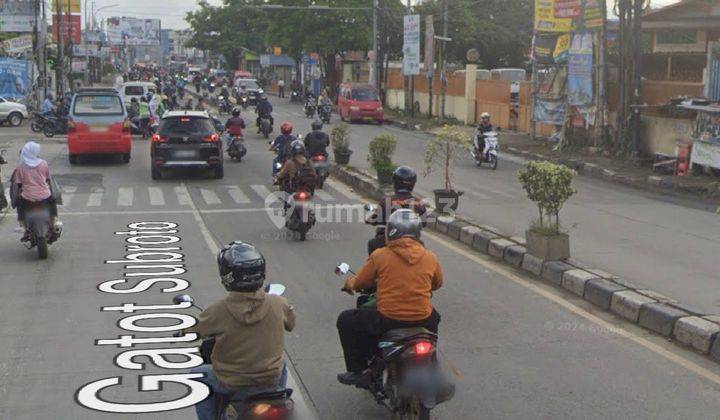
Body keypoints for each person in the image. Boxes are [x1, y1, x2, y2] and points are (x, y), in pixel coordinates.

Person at [188, 241, 296, 420]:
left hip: (232, 382)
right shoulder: (278, 303)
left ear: (227, 275)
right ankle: (279, 396)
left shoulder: (219, 310)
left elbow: (193, 330)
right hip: (269, 380)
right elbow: (291, 324)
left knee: (197, 374)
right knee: (282, 364)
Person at [336, 210, 443, 386]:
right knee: (435, 318)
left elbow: (361, 281)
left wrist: (349, 284)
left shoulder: (380, 255)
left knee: (346, 320)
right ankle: (432, 362)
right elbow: (437, 283)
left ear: (390, 231)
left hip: (388, 319)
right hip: (423, 319)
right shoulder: (430, 257)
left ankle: (359, 370)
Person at [366, 166, 427, 255]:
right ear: (413, 183)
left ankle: (375, 268)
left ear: (395, 181)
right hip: (412, 242)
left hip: (388, 240)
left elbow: (373, 219)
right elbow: (423, 223)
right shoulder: (419, 203)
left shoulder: (387, 200)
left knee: (372, 244)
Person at [11, 142, 60, 241]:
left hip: (27, 198)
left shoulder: (20, 167)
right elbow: (47, 178)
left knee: (19, 204)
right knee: (53, 201)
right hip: (45, 196)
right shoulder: (43, 163)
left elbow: (19, 184)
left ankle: (22, 224)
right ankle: (54, 221)